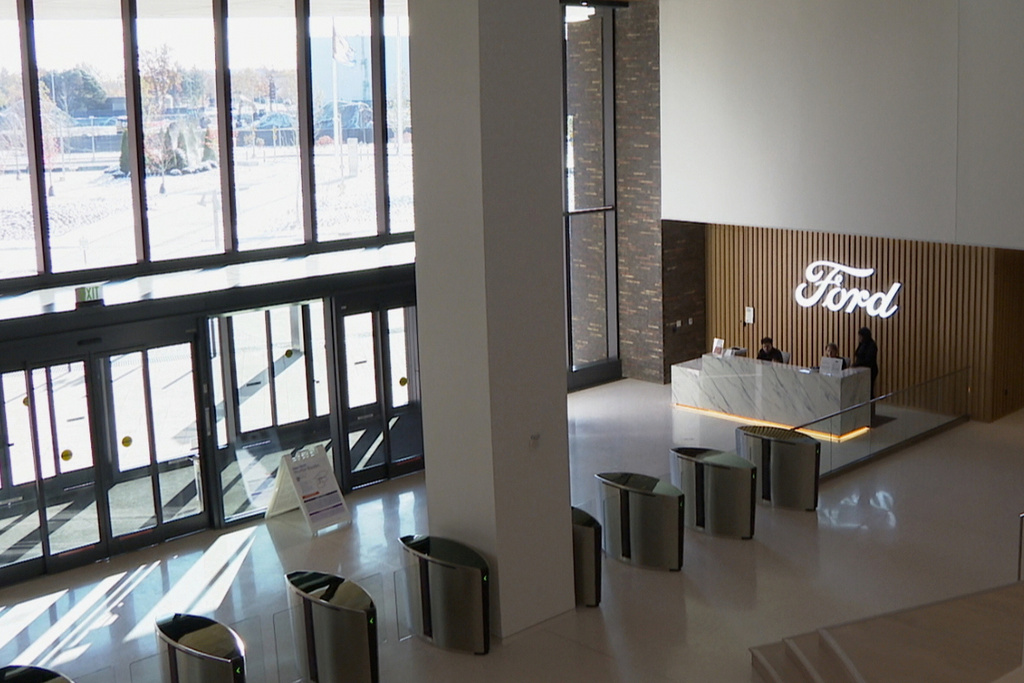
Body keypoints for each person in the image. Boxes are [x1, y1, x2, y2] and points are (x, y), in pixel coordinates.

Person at [853, 327, 879, 415]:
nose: (859, 338)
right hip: (861, 370)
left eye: (861, 336)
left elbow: (868, 359)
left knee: (869, 390)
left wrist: (857, 364)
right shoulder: (862, 344)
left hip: (870, 371)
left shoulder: (872, 345)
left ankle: (871, 412)